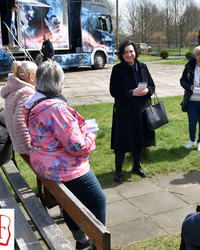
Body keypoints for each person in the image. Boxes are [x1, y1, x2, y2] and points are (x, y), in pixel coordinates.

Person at [22, 60, 106, 249]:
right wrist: (91, 137)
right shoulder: (56, 109)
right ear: (59, 83)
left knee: (70, 202)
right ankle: (97, 243)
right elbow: (77, 147)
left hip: (44, 164)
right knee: (98, 200)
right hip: (64, 168)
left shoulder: (32, 101)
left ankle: (81, 239)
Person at [110, 40, 156, 181]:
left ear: (135, 51)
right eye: (125, 52)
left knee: (139, 139)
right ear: (122, 55)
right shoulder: (117, 70)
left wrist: (147, 90)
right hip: (125, 111)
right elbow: (114, 91)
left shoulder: (143, 67)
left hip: (141, 110)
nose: (129, 54)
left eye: (131, 51)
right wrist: (131, 93)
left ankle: (137, 165)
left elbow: (152, 86)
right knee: (122, 141)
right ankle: (118, 169)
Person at [1, 61, 37, 166]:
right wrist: (30, 150)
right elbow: (19, 124)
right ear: (31, 77)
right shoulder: (27, 93)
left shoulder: (14, 90)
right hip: (26, 147)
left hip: (17, 143)